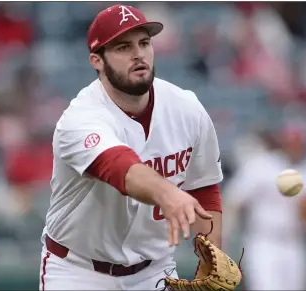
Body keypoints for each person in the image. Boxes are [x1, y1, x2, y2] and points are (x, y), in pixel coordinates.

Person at [38, 4, 224, 291]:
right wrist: (168, 193)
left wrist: (210, 266)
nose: (138, 54)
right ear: (97, 61)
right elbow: (118, 166)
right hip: (78, 270)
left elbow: (205, 190)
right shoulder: (80, 118)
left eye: (144, 43)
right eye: (123, 47)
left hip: (155, 270)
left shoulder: (187, 108)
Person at [222, 124, 306, 290]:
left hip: (296, 244)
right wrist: (225, 235)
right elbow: (233, 200)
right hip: (263, 241)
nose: (295, 147)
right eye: (291, 142)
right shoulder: (261, 166)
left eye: (299, 143)